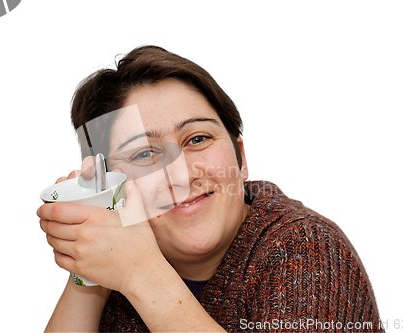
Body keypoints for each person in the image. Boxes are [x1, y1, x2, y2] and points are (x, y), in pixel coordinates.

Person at [37, 45, 384, 332]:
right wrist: (86, 266)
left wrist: (142, 276)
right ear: (109, 183)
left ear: (240, 157)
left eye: (198, 139)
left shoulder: (305, 245)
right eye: (145, 153)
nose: (183, 175)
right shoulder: (124, 254)